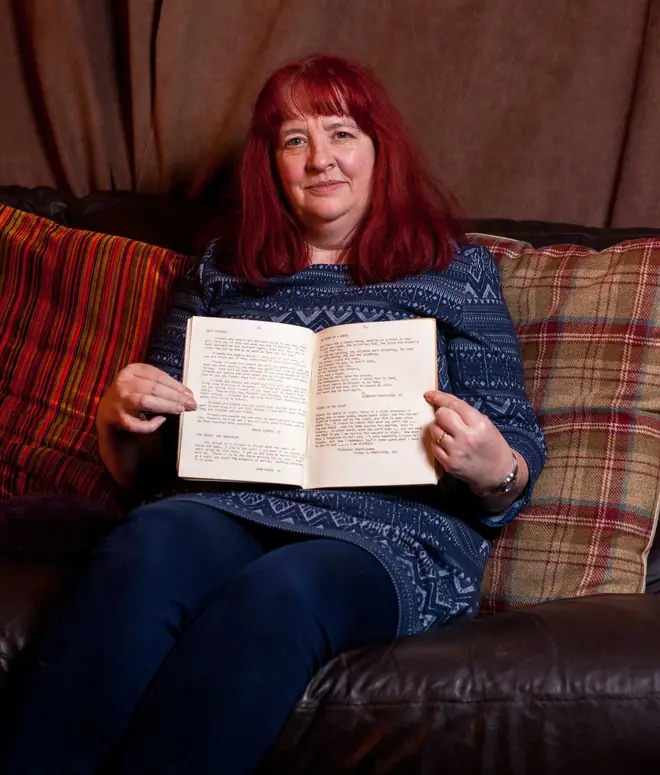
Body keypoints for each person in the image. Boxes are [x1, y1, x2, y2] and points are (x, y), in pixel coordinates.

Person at [1, 54, 546, 775]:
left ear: (380, 151)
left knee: (280, 593)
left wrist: (494, 466)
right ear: (271, 165)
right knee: (150, 539)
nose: (321, 158)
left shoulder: (455, 270)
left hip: (389, 535)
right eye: (294, 140)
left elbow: (516, 456)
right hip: (224, 505)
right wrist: (120, 416)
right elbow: (148, 460)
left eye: (342, 133)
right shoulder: (223, 269)